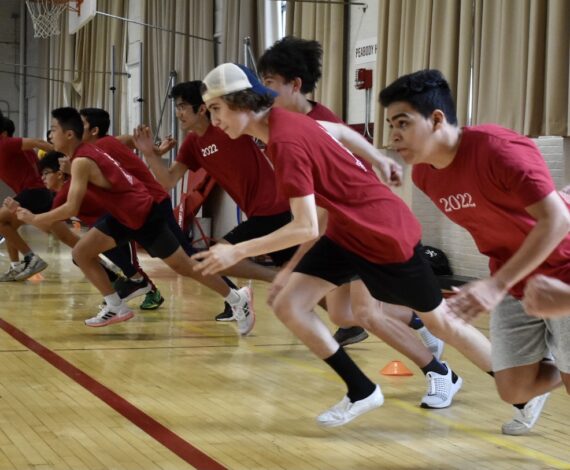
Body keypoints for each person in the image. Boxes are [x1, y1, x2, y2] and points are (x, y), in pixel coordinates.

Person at [192, 63, 494, 427]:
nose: (214, 120)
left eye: (216, 109)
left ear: (240, 102)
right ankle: (362, 390)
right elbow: (338, 131)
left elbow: (304, 226)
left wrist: (238, 250)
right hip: (348, 231)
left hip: (382, 234)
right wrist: (379, 158)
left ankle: (519, 385)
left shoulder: (284, 143)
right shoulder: (283, 124)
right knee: (295, 304)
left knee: (441, 322)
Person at [379, 69, 570, 435]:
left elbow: (557, 221)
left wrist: (494, 286)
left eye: (402, 123)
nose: (393, 136)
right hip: (514, 275)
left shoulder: (499, 150)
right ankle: (562, 366)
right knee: (513, 387)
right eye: (390, 125)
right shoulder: (425, 176)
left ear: (436, 119)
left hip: (562, 266)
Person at [258, 35, 444, 355]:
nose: (264, 91)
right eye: (262, 81)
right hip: (338, 231)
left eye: (270, 81)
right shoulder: (283, 126)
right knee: (341, 314)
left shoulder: (319, 123)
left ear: (295, 84)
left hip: (363, 224)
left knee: (365, 312)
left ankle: (439, 371)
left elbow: (328, 205)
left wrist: (294, 261)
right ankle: (419, 321)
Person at [17, 107, 254, 333]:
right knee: (81, 253)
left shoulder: (82, 161)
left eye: (53, 129)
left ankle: (237, 298)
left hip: (142, 215)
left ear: (69, 134)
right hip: (122, 216)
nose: (49, 134)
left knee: (185, 266)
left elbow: (71, 207)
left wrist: (34, 217)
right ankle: (116, 306)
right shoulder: (85, 154)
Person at [37, 150, 163, 310]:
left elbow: (47, 223)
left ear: (60, 174)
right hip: (103, 232)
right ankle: (120, 287)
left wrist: (27, 217)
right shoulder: (68, 189)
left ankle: (152, 292)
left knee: (131, 266)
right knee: (85, 258)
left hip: (120, 225)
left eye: (46, 173)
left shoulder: (66, 192)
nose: (42, 178)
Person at [0, 115, 53, 281]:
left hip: (35, 194)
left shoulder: (7, 143)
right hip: (35, 193)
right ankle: (16, 267)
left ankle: (31, 258)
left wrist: (71, 153)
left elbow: (38, 142)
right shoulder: (10, 148)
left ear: (3, 133)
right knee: (7, 226)